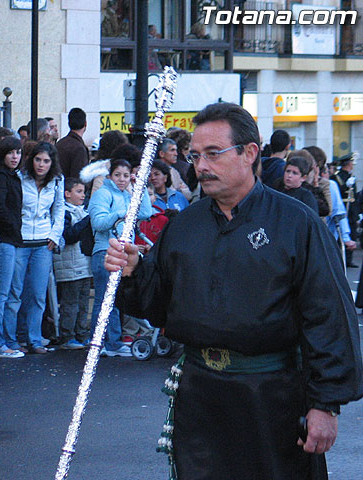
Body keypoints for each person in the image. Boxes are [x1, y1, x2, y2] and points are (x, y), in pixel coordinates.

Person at [106, 102, 363, 479]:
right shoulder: (185, 225)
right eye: (195, 156)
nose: (201, 166)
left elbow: (328, 315)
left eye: (213, 153)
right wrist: (134, 272)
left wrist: (325, 404)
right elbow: (158, 305)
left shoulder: (296, 222)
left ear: (249, 152)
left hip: (271, 398)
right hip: (199, 396)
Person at [3, 142, 65, 354]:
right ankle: (11, 339)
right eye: (38, 159)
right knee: (15, 292)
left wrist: (55, 236)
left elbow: (59, 210)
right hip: (20, 241)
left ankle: (34, 339)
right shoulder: (20, 178)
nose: (41, 164)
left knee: (38, 294)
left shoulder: (57, 181)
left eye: (46, 161)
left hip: (43, 243)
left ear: (52, 163)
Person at [89, 159, 152, 357]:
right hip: (104, 251)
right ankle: (98, 343)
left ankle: (112, 343)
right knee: (103, 300)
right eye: (118, 175)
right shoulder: (102, 194)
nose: (122, 180)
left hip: (122, 253)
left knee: (114, 300)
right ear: (110, 176)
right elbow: (98, 223)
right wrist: (121, 213)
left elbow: (145, 212)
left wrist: (138, 186)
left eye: (126, 176)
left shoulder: (127, 194)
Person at [0, 136, 25, 358]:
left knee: (8, 292)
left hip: (10, 237)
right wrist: (12, 225)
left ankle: (5, 339)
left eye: (18, 153)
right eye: (11, 152)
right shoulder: (1, 176)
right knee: (1, 293)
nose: (15, 157)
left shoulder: (10, 176)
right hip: (5, 239)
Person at [53, 177, 92, 349]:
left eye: (84, 192)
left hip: (84, 265)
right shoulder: (64, 213)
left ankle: (81, 334)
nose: (83, 195)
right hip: (69, 266)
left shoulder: (83, 211)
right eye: (78, 191)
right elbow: (69, 236)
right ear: (67, 194)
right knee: (70, 303)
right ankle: (67, 336)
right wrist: (86, 221)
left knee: (83, 303)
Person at [56, 107, 89, 179]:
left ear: (69, 123)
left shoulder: (60, 143)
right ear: (85, 123)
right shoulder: (79, 148)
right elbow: (79, 178)